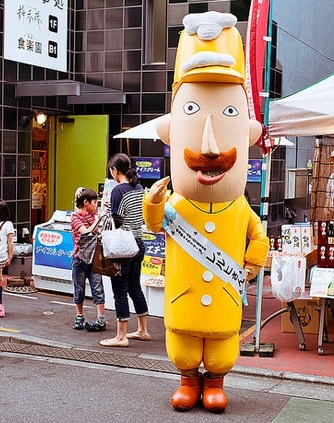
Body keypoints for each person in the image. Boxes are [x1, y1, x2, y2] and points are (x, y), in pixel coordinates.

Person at [142, 12, 269, 413]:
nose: (212, 148)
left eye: (230, 114)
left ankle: (214, 380)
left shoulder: (240, 205)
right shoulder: (178, 202)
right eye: (193, 111)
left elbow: (258, 234)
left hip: (225, 296)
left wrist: (251, 263)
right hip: (185, 295)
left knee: (219, 348)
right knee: (183, 342)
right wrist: (154, 201)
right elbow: (155, 223)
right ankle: (186, 379)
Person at [99, 153, 150, 347]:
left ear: (115, 170)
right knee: (134, 286)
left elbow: (116, 220)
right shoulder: (139, 188)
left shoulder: (118, 190)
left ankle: (121, 336)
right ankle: (143, 330)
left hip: (123, 246)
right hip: (139, 243)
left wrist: (107, 209)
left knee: (119, 290)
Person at [70, 187, 106, 332]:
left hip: (94, 258)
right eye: (94, 202)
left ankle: (101, 319)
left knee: (98, 288)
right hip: (79, 258)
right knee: (79, 289)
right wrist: (98, 220)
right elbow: (86, 232)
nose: (96, 205)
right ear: (86, 202)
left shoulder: (94, 214)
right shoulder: (75, 218)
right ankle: (79, 317)